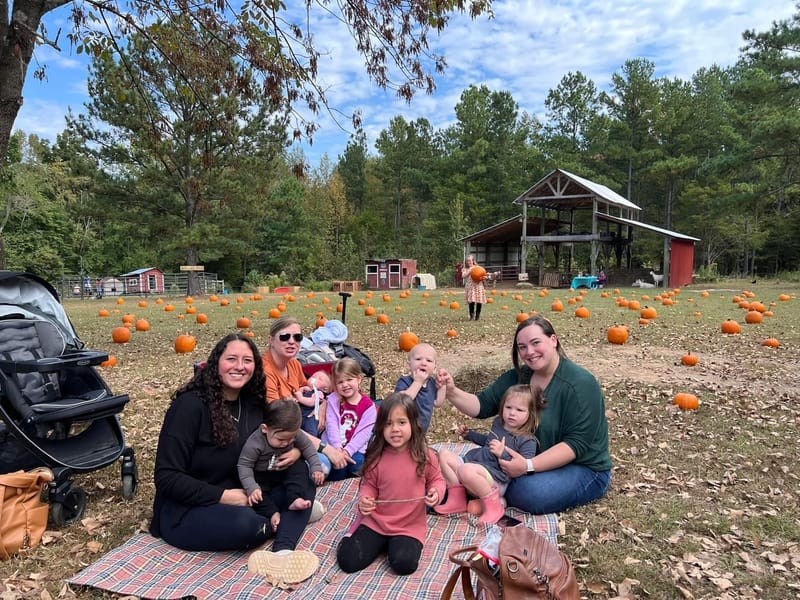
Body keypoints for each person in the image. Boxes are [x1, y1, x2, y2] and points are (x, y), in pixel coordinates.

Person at [151, 333, 316, 555]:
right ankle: (288, 519)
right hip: (193, 505)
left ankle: (283, 550)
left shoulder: (253, 402)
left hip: (249, 492)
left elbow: (278, 436)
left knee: (303, 480)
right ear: (215, 363)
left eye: (247, 360)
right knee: (248, 525)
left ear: (255, 366)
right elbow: (167, 477)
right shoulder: (189, 407)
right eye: (231, 359)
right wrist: (225, 497)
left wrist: (295, 451)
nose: (239, 366)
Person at [436, 315, 612, 514]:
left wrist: (528, 465)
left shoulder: (581, 384)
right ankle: (475, 493)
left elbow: (576, 445)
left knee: (527, 492)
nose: (529, 352)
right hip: (526, 459)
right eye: (522, 347)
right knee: (457, 467)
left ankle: (482, 494)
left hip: (582, 467)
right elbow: (482, 406)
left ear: (553, 340)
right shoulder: (520, 377)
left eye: (536, 343)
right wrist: (451, 391)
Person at [336, 393, 445, 576]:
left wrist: (436, 492)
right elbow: (369, 485)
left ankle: (391, 546)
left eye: (401, 422)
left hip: (409, 526)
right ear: (381, 427)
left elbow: (437, 479)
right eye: (388, 424)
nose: (395, 429)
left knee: (404, 564)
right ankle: (367, 540)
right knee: (347, 561)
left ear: (413, 424)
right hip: (377, 522)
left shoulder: (425, 455)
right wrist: (366, 499)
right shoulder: (376, 456)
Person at [435, 384, 543, 524]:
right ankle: (458, 499)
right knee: (443, 455)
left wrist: (502, 453)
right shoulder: (498, 423)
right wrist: (470, 435)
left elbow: (524, 465)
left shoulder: (527, 440)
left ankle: (494, 505)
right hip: (476, 465)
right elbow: (489, 442)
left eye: (519, 410)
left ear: (531, 413)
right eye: (508, 407)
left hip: (495, 478)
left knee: (465, 470)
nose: (512, 413)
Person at [237, 400, 325, 531]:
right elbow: (244, 465)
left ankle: (295, 498)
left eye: (291, 439)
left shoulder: (293, 433)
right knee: (256, 497)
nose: (286, 443)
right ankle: (272, 513)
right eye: (281, 439)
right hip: (261, 475)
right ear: (265, 429)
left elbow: (307, 447)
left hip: (284, 469)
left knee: (300, 467)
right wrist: (251, 487)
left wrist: (316, 467)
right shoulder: (255, 443)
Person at [319, 357, 377, 480]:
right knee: (336, 466)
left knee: (357, 462)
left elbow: (364, 433)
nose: (345, 385)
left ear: (359, 379)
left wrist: (347, 451)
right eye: (340, 382)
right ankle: (335, 483)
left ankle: (351, 482)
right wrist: (338, 449)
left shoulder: (368, 406)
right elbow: (331, 425)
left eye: (349, 379)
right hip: (333, 446)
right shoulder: (334, 400)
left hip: (355, 449)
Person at [393, 343, 446, 433]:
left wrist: (443, 386)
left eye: (429, 360)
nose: (423, 363)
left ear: (434, 368)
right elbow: (402, 402)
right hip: (403, 430)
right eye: (418, 359)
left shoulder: (432, 383)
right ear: (409, 365)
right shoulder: (405, 381)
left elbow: (437, 403)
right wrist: (418, 382)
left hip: (421, 431)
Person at [263, 316, 311, 404]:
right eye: (285, 337)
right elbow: (275, 409)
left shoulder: (294, 363)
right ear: (271, 340)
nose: (292, 341)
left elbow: (305, 388)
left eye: (297, 337)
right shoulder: (264, 371)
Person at [299, 370, 330, 437]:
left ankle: (313, 439)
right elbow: (297, 393)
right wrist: (302, 389)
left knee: (311, 430)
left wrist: (300, 398)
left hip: (311, 417)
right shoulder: (306, 390)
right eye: (313, 376)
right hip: (301, 415)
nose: (315, 378)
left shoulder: (319, 393)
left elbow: (312, 402)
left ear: (325, 389)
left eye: (320, 379)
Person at [461, 255, 487, 321]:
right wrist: (470, 271)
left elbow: (483, 274)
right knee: (471, 301)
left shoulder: (477, 267)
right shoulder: (465, 269)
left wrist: (485, 277)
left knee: (479, 301)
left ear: (473, 261)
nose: (469, 262)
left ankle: (477, 316)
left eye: (470, 260)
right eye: (467, 261)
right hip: (470, 287)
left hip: (478, 286)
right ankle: (471, 316)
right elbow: (463, 276)